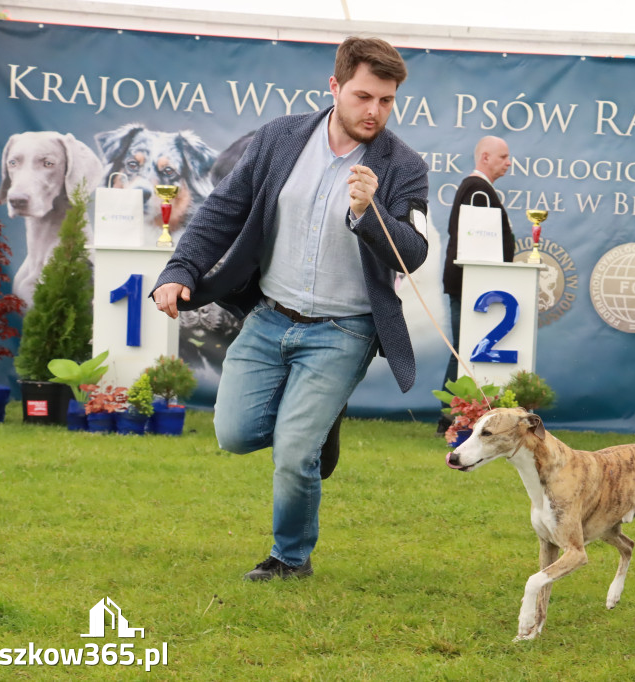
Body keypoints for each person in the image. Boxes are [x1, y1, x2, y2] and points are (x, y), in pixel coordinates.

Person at [152, 37, 429, 581]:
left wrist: (369, 212)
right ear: (334, 86)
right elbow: (221, 211)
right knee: (233, 434)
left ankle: (289, 559)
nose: (374, 111)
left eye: (387, 100)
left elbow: (413, 253)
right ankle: (320, 427)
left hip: (344, 330)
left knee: (293, 453)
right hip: (269, 315)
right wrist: (179, 270)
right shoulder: (279, 138)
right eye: (363, 96)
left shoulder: (404, 167)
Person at [437, 136, 515, 435]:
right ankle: (450, 420)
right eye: (504, 156)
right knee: (465, 351)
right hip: (470, 284)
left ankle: (450, 419)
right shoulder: (477, 189)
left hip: (471, 283)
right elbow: (478, 244)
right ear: (485, 157)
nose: (509, 163)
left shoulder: (477, 189)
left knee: (463, 349)